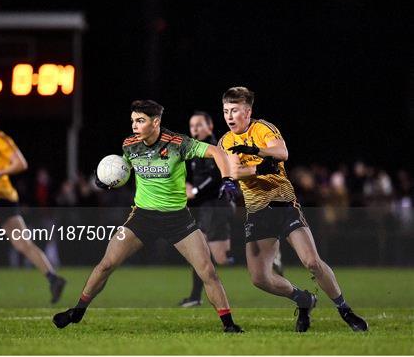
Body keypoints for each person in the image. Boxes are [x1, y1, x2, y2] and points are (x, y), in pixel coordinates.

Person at [53, 100, 243, 333]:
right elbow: (124, 171)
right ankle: (77, 311)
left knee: (208, 271)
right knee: (106, 264)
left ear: (156, 122)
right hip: (142, 218)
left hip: (178, 219)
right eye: (133, 120)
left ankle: (229, 325)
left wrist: (227, 179)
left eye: (140, 120)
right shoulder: (130, 145)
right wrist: (105, 181)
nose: (134, 125)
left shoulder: (178, 143)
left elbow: (215, 151)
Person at [218, 87, 368, 332]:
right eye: (225, 111)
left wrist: (256, 151)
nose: (229, 116)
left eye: (234, 111)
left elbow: (282, 153)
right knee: (259, 279)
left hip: (283, 205)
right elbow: (234, 172)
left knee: (311, 262)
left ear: (248, 111)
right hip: (257, 212)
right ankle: (304, 299)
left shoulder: (263, 128)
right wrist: (262, 168)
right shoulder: (226, 141)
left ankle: (345, 310)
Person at [0, 106, 66, 304]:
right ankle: (54, 279)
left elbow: (21, 163)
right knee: (22, 244)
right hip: (5, 198)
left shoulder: (0, 139)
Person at [178, 111, 235, 307]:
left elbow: (215, 176)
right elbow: (188, 174)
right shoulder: (194, 150)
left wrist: (194, 189)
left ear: (210, 127)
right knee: (200, 252)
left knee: (218, 258)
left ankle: (261, 256)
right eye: (192, 125)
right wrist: (186, 184)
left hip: (217, 205)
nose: (194, 129)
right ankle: (195, 296)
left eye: (199, 124)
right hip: (205, 207)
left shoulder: (216, 148)